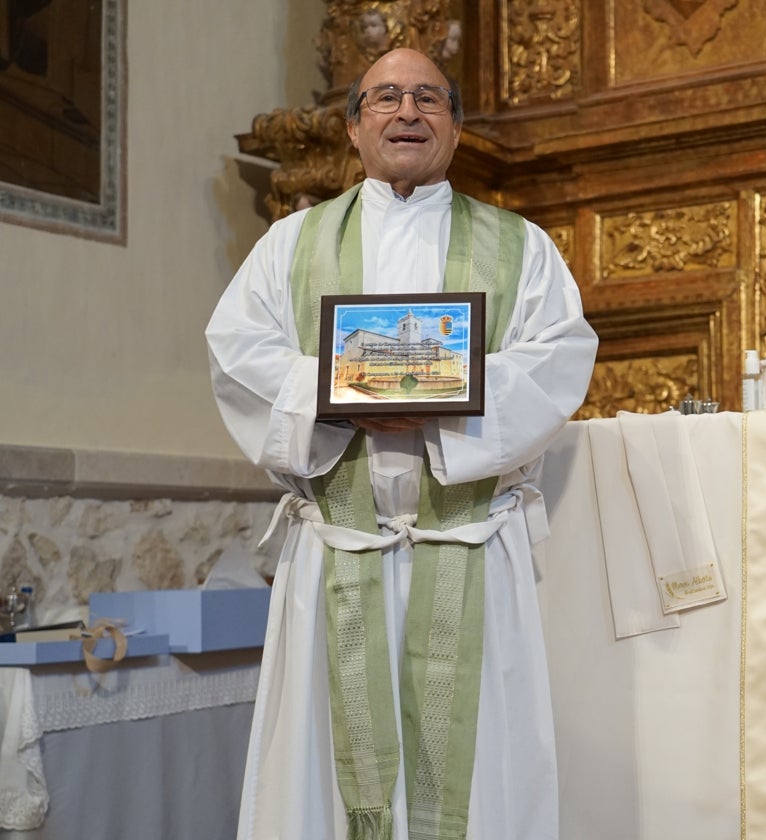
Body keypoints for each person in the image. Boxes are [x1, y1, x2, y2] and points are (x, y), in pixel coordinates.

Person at [206, 47, 598, 840]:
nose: (408, 112)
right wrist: (337, 401)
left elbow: (557, 357)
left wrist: (442, 413)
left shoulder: (520, 247)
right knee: (324, 771)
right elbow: (237, 351)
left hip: (470, 545)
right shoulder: (291, 245)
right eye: (385, 98)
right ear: (354, 128)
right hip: (339, 549)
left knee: (481, 772)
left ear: (454, 127)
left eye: (428, 98)